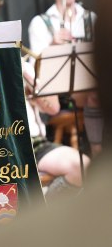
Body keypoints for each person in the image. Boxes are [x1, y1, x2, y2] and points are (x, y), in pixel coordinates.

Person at [28, 0, 103, 157]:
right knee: (95, 95)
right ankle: (98, 153)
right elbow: (36, 70)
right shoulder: (40, 23)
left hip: (89, 85)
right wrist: (52, 45)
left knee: (96, 90)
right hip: (58, 93)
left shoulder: (90, 18)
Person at [22, 60, 90, 199]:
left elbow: (53, 108)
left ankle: (49, 214)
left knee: (83, 166)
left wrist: (25, 72)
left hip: (31, 142)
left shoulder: (23, 65)